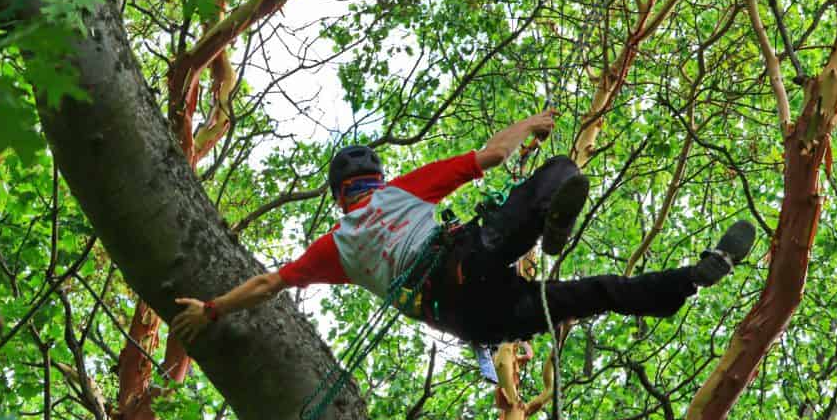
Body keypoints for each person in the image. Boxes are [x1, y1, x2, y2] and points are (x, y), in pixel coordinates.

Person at [172, 110, 755, 345]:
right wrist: (530, 122)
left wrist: (212, 310)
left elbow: (268, 284)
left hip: (470, 319)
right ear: (376, 176)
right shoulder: (401, 190)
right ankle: (679, 273)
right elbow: (493, 157)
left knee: (584, 296)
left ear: (337, 193)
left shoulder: (334, 249)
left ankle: (695, 276)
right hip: (464, 261)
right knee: (558, 173)